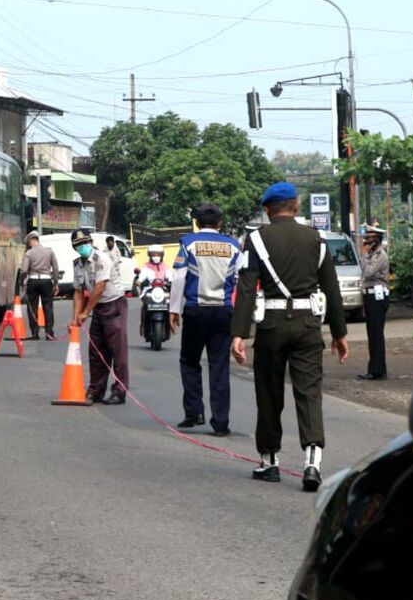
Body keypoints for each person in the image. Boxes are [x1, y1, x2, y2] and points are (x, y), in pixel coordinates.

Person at [231, 182, 349, 491]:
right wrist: (339, 333)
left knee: (269, 393)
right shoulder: (317, 239)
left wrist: (239, 334)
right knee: (309, 392)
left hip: (271, 325)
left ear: (268, 210)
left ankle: (270, 461)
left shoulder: (256, 239)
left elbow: (246, 287)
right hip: (308, 324)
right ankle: (312, 463)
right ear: (296, 207)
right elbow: (331, 289)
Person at [168, 204, 241, 437]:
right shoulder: (234, 246)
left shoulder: (188, 243)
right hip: (223, 311)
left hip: (196, 310)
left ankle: (194, 412)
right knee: (219, 366)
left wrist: (173, 310)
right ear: (220, 223)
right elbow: (240, 279)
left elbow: (179, 278)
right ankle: (220, 423)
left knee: (189, 361)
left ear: (197, 223)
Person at [71, 227, 128, 405]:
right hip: (98, 308)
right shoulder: (78, 264)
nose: (82, 247)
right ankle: (96, 390)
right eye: (78, 245)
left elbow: (99, 287)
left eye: (84, 243)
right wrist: (75, 318)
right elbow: (79, 292)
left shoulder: (102, 259)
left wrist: (85, 312)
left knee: (117, 351)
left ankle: (119, 391)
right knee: (96, 351)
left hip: (113, 305)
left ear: (91, 243)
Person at [358, 224, 390, 381]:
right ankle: (376, 369)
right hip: (370, 297)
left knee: (376, 334)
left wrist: (363, 256)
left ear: (376, 239)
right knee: (372, 334)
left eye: (370, 237)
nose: (366, 240)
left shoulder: (380, 255)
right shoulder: (372, 255)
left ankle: (377, 370)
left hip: (378, 298)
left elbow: (369, 273)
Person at [16, 230, 59, 341]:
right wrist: (56, 283)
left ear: (30, 240)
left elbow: (24, 270)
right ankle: (49, 333)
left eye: (28, 243)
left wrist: (21, 283)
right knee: (48, 307)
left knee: (32, 308)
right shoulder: (49, 252)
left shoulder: (29, 253)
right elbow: (55, 268)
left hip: (33, 282)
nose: (28, 245)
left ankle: (35, 333)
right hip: (46, 281)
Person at [136, 243, 170, 339]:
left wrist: (172, 281)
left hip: (162, 291)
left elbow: (170, 276)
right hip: (149, 291)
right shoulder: (146, 267)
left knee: (169, 306)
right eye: (153, 254)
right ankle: (143, 324)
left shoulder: (165, 267)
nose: (156, 256)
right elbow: (141, 277)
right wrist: (139, 281)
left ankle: (170, 324)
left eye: (158, 254)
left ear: (162, 255)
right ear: (149, 255)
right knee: (145, 306)